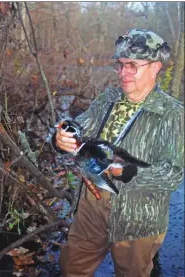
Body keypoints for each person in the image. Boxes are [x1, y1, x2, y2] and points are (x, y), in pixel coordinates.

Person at [52, 29, 184, 277]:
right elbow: (81, 126)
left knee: (132, 272)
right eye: (120, 65)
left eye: (133, 65)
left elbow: (172, 175)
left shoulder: (173, 114)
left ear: (155, 67)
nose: (124, 73)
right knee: (71, 268)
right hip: (93, 203)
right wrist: (62, 137)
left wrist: (124, 171)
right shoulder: (108, 98)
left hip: (139, 218)